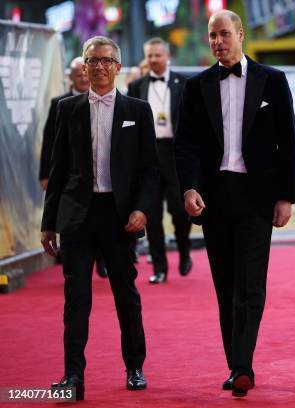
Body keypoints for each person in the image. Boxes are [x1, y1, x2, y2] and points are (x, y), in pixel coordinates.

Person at [174, 10, 295, 398]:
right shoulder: (196, 86)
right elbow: (187, 144)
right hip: (214, 196)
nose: (218, 42)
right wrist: (189, 188)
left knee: (251, 284)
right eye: (212, 36)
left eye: (224, 34)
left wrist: (285, 196)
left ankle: (242, 365)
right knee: (225, 285)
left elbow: (287, 141)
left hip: (257, 196)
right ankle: (236, 363)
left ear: (240, 35)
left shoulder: (273, 81)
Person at [40, 36, 159, 400]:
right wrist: (48, 222)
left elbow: (150, 170)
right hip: (77, 216)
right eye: (93, 61)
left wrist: (141, 210)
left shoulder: (138, 111)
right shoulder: (68, 109)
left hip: (120, 216)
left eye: (107, 61)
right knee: (76, 298)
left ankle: (135, 366)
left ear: (118, 67)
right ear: (84, 67)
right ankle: (73, 376)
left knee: (126, 293)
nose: (100, 67)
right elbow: (58, 170)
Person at [128, 37, 192, 283]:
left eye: (157, 55)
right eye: (149, 55)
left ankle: (185, 251)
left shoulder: (184, 83)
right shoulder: (137, 87)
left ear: (167, 56)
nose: (153, 59)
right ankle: (160, 267)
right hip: (149, 155)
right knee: (151, 213)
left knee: (179, 209)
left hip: (175, 154)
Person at [39, 57, 109, 278]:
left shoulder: (112, 102)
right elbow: (50, 140)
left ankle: (102, 259)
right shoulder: (60, 104)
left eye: (83, 74)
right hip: (72, 175)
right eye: (77, 74)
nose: (81, 77)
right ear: (71, 76)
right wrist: (45, 173)